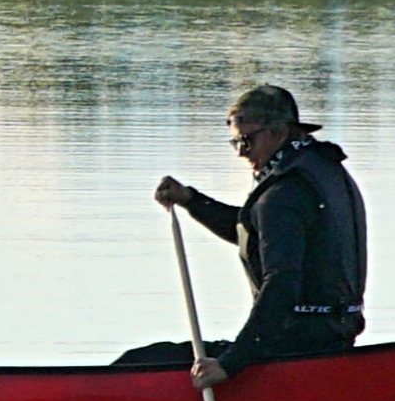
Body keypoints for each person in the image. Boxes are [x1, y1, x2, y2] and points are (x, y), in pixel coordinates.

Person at [119, 81, 366, 376]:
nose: (240, 153)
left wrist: (230, 364)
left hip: (292, 348)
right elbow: (257, 233)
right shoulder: (325, 170)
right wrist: (192, 201)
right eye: (235, 142)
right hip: (333, 339)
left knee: (136, 362)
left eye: (246, 141)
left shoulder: (283, 194)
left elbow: (282, 284)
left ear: (279, 132)